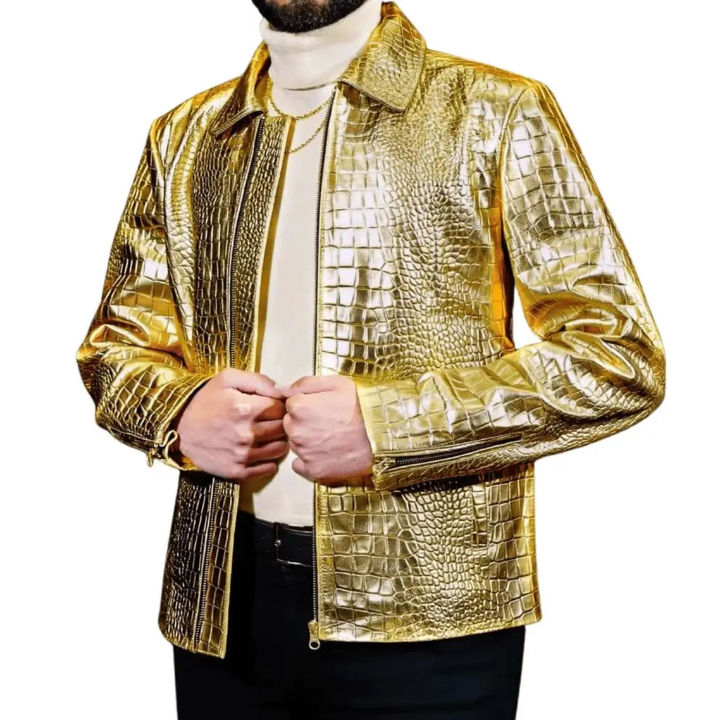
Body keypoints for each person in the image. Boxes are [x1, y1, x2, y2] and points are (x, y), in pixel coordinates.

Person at [75, 1, 666, 717]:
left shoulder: (497, 110)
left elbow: (617, 357)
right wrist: (178, 412)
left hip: (434, 612)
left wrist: (390, 427)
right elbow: (116, 344)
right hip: (221, 603)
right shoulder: (185, 135)